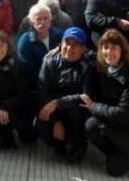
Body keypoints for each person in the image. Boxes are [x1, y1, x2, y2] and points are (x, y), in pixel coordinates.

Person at [81, 29, 129, 177]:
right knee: (90, 125)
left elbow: (123, 113)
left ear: (123, 50)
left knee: (114, 170)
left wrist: (93, 106)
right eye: (105, 48)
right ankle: (118, 153)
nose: (109, 52)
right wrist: (58, 49)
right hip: (115, 125)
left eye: (114, 48)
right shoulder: (103, 66)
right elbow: (84, 53)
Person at [36, 27, 93, 162]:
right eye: (67, 42)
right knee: (40, 123)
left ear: (83, 48)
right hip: (55, 112)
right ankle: (59, 145)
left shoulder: (87, 66)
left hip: (75, 113)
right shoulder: (49, 62)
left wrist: (57, 102)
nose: (69, 48)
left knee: (75, 113)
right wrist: (56, 121)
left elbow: (86, 97)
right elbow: (42, 92)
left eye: (75, 44)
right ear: (61, 44)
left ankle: (77, 145)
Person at [16, 3, 63, 142]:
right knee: (28, 138)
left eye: (45, 18)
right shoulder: (25, 41)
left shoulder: (59, 36)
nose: (42, 22)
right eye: (38, 19)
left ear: (51, 20)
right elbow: (27, 71)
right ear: (31, 22)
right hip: (32, 88)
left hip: (56, 85)